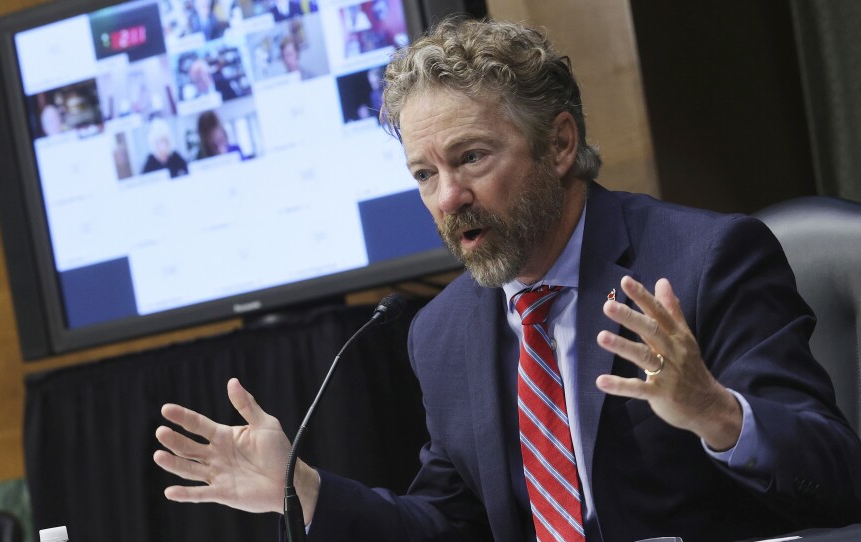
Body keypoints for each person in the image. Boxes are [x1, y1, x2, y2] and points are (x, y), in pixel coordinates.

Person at [152, 17, 861, 541]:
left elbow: (836, 478)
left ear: (559, 144)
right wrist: (302, 488)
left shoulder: (706, 259)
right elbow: (447, 526)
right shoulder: (442, 331)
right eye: (425, 174)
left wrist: (716, 412)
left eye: (471, 158)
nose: (447, 198)